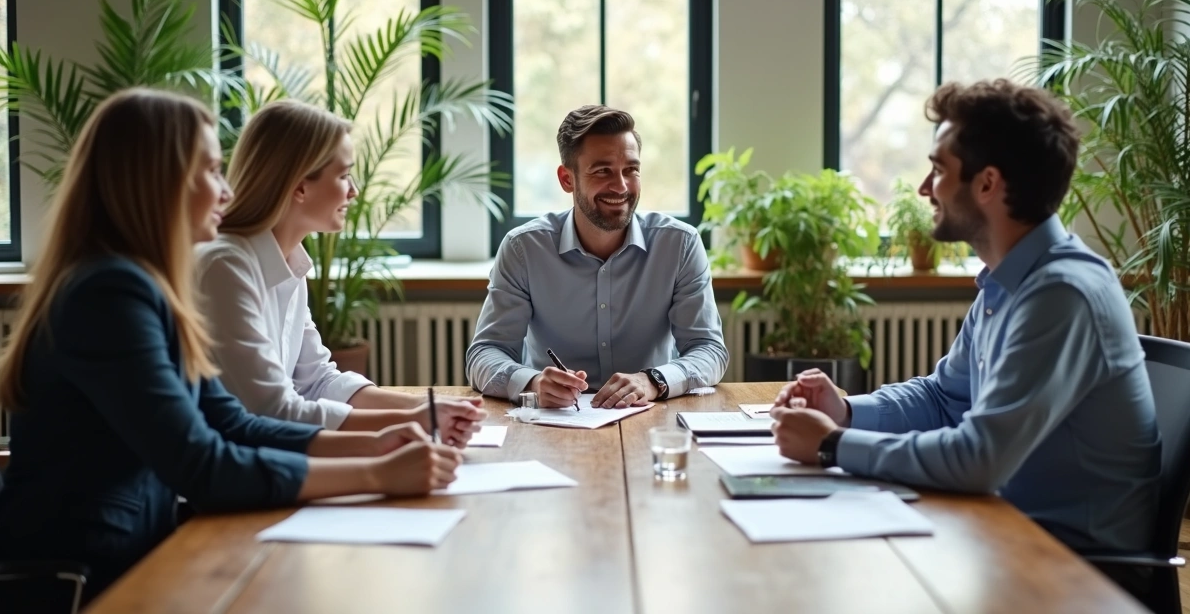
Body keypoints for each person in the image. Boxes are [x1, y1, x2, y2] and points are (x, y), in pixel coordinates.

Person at [0, 89, 461, 603]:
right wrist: (374, 472)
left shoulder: (148, 286)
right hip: (74, 580)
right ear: (156, 183)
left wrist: (376, 443)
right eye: (210, 171)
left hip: (139, 554)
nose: (228, 192)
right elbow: (201, 464)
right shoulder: (108, 294)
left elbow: (232, 423)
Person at [770, 79, 1160, 559]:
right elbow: (943, 398)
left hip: (1067, 567)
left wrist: (833, 445)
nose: (923, 188)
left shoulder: (1062, 293)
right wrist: (846, 411)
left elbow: (980, 459)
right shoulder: (1009, 279)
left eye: (937, 170)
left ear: (988, 183)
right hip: (995, 532)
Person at [194, 99, 483, 445]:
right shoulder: (225, 267)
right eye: (344, 175)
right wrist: (410, 420)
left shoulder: (290, 263)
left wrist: (428, 408)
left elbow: (317, 380)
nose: (354, 191)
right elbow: (269, 407)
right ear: (300, 186)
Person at [466, 105, 728, 409]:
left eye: (631, 170)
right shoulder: (524, 249)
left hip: (650, 416)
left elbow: (709, 350)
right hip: (555, 421)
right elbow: (485, 353)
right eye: (602, 171)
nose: (620, 186)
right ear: (567, 179)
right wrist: (533, 383)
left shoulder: (679, 244)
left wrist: (653, 380)